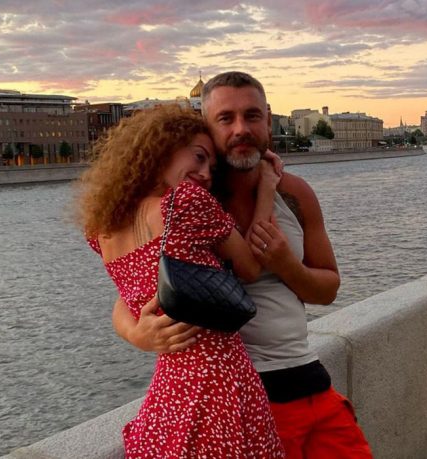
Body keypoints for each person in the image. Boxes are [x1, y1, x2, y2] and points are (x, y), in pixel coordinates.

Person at [113, 72, 373, 458]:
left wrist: (288, 266)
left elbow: (329, 288)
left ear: (268, 119)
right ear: (207, 127)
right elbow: (130, 290)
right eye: (226, 118)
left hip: (310, 382)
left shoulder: (295, 193)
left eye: (252, 116)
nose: (241, 129)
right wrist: (138, 334)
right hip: (241, 398)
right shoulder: (190, 196)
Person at [77, 104, 284, 459]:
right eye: (199, 157)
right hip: (219, 381)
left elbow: (127, 297)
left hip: (170, 392)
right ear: (162, 150)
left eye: (211, 168)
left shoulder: (101, 232)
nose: (204, 174)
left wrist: (136, 333)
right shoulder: (185, 201)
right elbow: (250, 267)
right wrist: (266, 187)